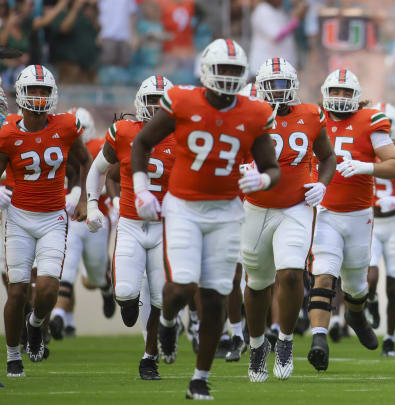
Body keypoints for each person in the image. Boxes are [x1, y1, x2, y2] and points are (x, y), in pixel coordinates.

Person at [130, 39, 280, 400]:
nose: (228, 76)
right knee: (181, 287)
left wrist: (262, 180)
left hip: (226, 211)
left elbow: (271, 167)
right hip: (183, 206)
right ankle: (167, 323)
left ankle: (200, 378)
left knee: (214, 298)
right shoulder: (182, 99)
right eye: (222, 68)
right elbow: (142, 143)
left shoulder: (254, 112)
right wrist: (141, 188)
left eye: (234, 70)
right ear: (206, 70)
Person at [241, 57, 335, 381]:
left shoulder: (310, 114)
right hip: (256, 207)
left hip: (295, 206)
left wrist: (322, 184)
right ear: (259, 88)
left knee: (292, 274)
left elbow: (328, 156)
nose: (278, 91)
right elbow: (235, 157)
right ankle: (256, 346)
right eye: (271, 85)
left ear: (293, 86)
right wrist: (244, 173)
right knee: (257, 284)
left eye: (283, 85)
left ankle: (284, 340)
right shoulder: (249, 115)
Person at [306, 68, 395, 372]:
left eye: (346, 92)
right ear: (325, 92)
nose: (340, 97)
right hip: (324, 212)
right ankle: (319, 339)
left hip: (359, 215)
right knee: (323, 274)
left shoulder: (370, 121)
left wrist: (364, 167)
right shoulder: (311, 118)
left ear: (356, 96)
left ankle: (356, 315)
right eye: (335, 91)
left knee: (356, 287)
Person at [2, 64, 92, 377]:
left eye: (44, 91)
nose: (39, 97)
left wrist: (82, 198)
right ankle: (14, 355)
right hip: (20, 218)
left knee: (48, 289)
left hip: (54, 216)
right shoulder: (8, 132)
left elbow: (85, 161)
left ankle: (37, 324)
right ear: (21, 94)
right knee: (16, 292)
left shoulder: (67, 126)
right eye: (33, 90)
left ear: (53, 95)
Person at [85, 75, 175, 380]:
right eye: (152, 100)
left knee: (161, 299)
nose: (156, 107)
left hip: (165, 227)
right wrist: (93, 204)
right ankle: (125, 303)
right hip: (131, 224)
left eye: (162, 101)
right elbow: (97, 171)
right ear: (140, 102)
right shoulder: (123, 131)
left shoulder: (186, 136)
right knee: (125, 293)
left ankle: (149, 358)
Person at [49, 107, 115, 341]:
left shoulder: (98, 147)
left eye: (82, 130)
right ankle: (58, 316)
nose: (78, 135)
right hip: (69, 219)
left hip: (96, 219)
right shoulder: (58, 147)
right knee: (66, 267)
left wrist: (112, 197)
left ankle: (106, 286)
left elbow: (114, 173)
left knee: (92, 280)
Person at [367, 102, 395, 357]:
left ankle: (390, 338)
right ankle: (370, 301)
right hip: (371, 222)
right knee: (370, 279)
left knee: (393, 287)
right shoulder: (363, 150)